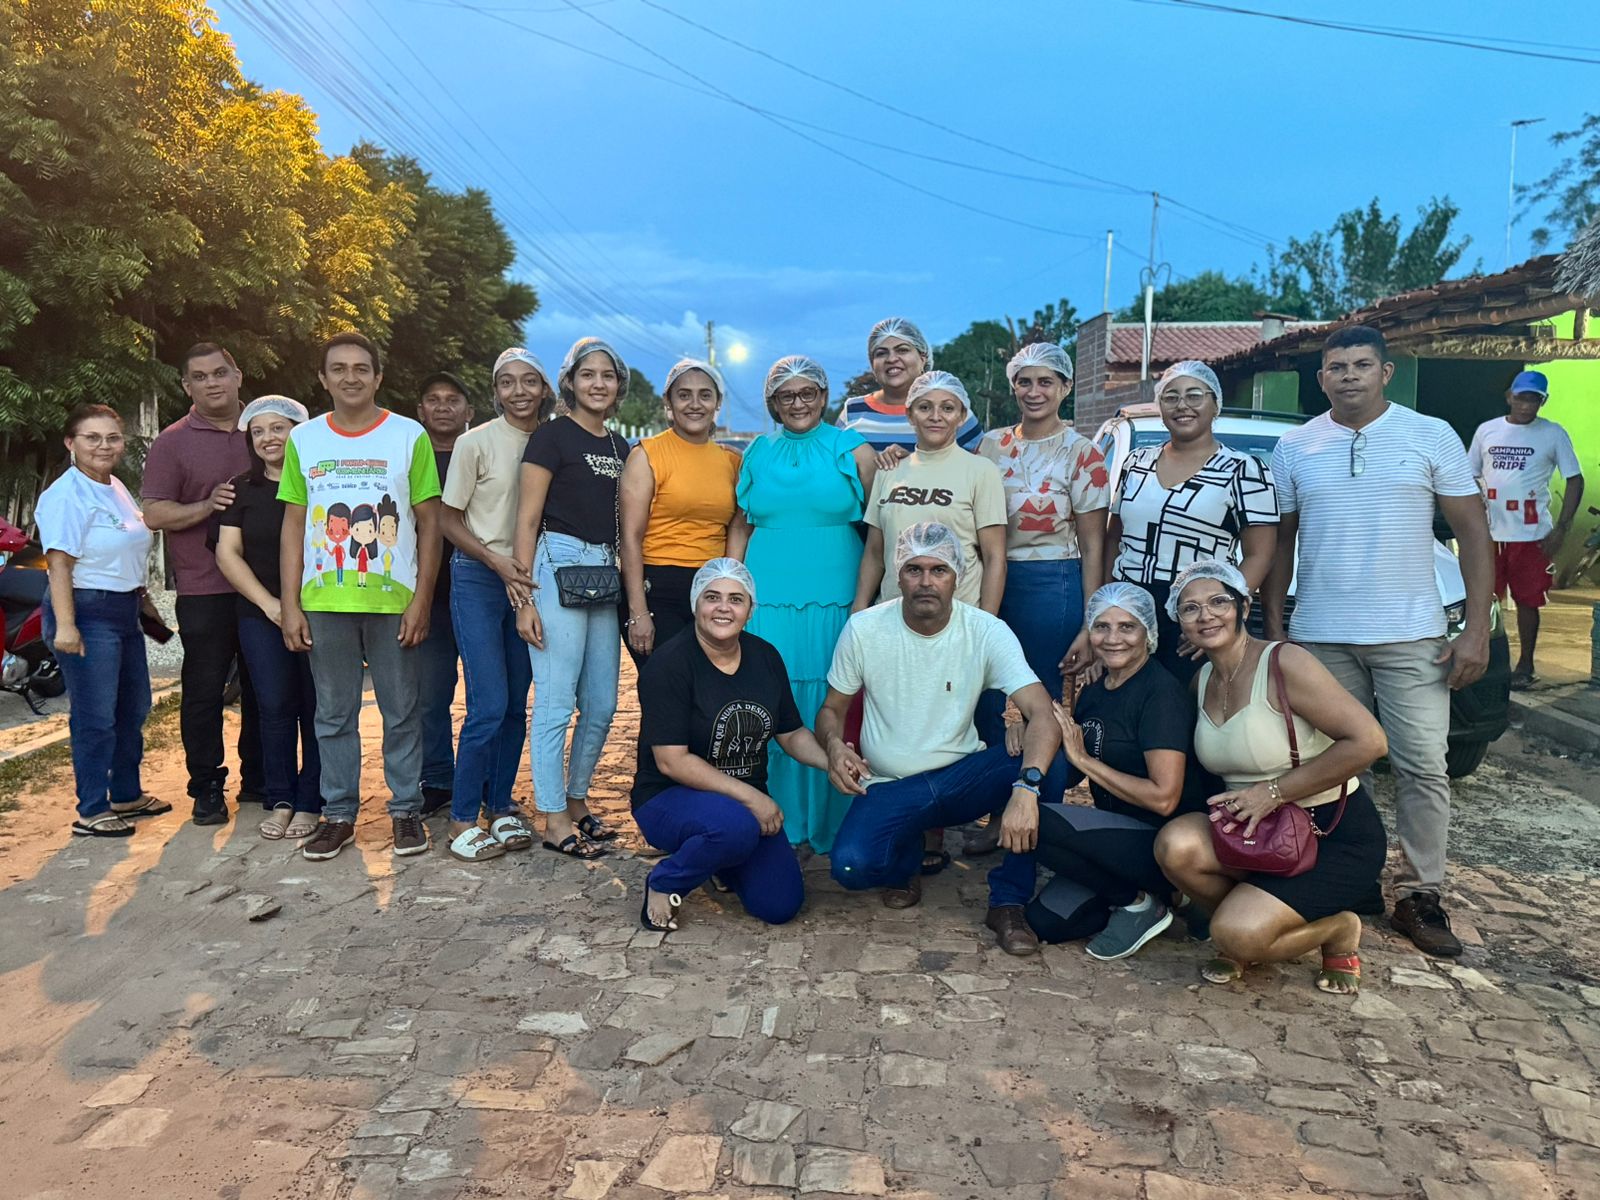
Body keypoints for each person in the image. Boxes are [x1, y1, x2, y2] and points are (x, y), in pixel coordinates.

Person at [1263, 326, 1493, 958]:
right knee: (1322, 767)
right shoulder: (1295, 446)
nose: (1349, 376)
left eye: (1363, 365)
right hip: (1320, 637)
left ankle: (1421, 893)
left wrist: (1476, 627)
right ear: (1322, 378)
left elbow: (1474, 533)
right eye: (1337, 367)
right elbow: (1281, 542)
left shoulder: (1430, 434)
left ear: (1385, 372)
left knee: (1423, 766)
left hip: (1412, 634)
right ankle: (1339, 878)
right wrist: (1278, 627)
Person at [817, 522, 1063, 956]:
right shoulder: (865, 628)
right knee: (852, 867)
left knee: (1052, 766)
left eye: (939, 570)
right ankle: (906, 857)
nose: (926, 581)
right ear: (897, 574)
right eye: (914, 569)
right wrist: (835, 745)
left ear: (958, 576)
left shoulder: (984, 629)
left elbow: (1042, 712)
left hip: (960, 779)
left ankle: (1007, 901)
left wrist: (1025, 788)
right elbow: (831, 710)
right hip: (889, 783)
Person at [1156, 561, 1389, 994]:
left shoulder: (1285, 663)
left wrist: (1274, 793)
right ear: (1180, 625)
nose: (1206, 615)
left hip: (1328, 834)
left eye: (1218, 602)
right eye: (1190, 609)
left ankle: (1336, 928)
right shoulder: (1201, 679)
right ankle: (1246, 918)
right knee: (1175, 846)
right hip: (1252, 836)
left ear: (1244, 605)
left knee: (1236, 935)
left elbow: (1370, 742)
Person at [279, 332, 443, 861]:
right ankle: (338, 814)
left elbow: (430, 523)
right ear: (323, 379)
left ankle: (406, 812)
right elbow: (294, 525)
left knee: (401, 710)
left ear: (377, 377)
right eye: (338, 368)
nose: (351, 377)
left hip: (394, 603)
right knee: (333, 714)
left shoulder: (407, 435)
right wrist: (289, 604)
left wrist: (420, 599)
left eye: (361, 368)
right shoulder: (304, 440)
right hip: (323, 603)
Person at [1004, 583, 1218, 959]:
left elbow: (1164, 798)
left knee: (1040, 819)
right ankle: (1155, 900)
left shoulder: (1159, 694)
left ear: (1148, 633)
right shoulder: (1099, 690)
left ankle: (1141, 901)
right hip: (1114, 839)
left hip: (1162, 840)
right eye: (1101, 627)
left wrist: (1086, 760)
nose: (1113, 638)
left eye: (1127, 627)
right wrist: (1033, 730)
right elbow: (1069, 775)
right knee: (1047, 923)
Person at [632, 558, 831, 931]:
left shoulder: (765, 657)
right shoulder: (670, 664)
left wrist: (831, 762)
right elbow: (671, 762)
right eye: (712, 597)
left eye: (736, 599)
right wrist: (753, 798)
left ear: (750, 610)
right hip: (668, 796)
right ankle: (667, 881)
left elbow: (790, 733)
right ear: (696, 604)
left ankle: (717, 860)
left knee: (780, 904)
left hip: (738, 805)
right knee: (735, 828)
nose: (724, 607)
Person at [733, 356, 876, 853]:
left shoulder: (851, 448)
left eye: (808, 393)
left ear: (824, 395)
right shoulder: (756, 453)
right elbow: (741, 522)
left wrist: (868, 597)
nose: (798, 404)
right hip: (768, 594)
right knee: (772, 695)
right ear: (773, 402)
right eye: (787, 396)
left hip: (837, 592)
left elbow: (878, 529)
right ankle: (780, 815)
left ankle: (838, 818)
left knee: (833, 697)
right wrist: (733, 585)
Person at [972, 343, 1110, 854]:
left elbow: (1095, 543)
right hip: (993, 576)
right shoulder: (990, 446)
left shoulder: (1083, 453)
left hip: (1053, 580)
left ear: (1066, 388)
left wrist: (1089, 621)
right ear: (1013, 387)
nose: (1035, 392)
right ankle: (992, 811)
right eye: (1025, 382)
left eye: (1046, 382)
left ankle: (1043, 811)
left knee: (1045, 699)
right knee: (985, 694)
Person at [513, 337, 634, 858]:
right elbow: (526, 517)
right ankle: (552, 813)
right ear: (570, 382)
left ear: (618, 385)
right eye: (588, 375)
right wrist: (523, 598)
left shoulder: (620, 446)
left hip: (603, 570)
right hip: (557, 562)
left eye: (608, 375)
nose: (598, 383)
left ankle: (578, 799)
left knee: (603, 702)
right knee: (556, 700)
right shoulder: (550, 438)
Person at [141, 342, 262, 825]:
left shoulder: (267, 431)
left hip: (264, 587)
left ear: (237, 376)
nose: (212, 382)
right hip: (204, 587)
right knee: (205, 690)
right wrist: (207, 505)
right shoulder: (172, 442)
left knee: (264, 687)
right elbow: (154, 513)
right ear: (187, 386)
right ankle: (207, 786)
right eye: (200, 376)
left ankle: (261, 778)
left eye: (220, 373)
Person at [437, 349, 550, 861]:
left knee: (516, 703)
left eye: (529, 381)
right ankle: (462, 815)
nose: (519, 391)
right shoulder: (474, 442)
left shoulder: (554, 441)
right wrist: (495, 561)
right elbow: (448, 519)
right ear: (496, 391)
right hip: (481, 578)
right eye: (507, 382)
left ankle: (500, 804)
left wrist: (519, 570)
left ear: (545, 388)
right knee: (487, 703)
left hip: (532, 581)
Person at [37, 405, 168, 836]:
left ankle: (126, 794)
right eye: (92, 438)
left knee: (133, 707)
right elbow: (59, 564)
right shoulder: (65, 495)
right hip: (86, 611)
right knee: (95, 716)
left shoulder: (114, 487)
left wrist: (143, 601)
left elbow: (126, 550)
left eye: (112, 437)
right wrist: (67, 627)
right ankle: (92, 809)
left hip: (124, 609)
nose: (104, 446)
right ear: (70, 443)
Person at [1109, 359, 1278, 683]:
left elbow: (1260, 554)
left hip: (1197, 612)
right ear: (1159, 406)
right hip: (1131, 610)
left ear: (1215, 404)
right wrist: (1106, 603)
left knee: (1189, 706)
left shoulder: (1243, 470)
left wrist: (1217, 612)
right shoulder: (1136, 463)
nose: (1182, 405)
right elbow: (1113, 538)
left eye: (1194, 395)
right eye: (1170, 397)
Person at [213, 396, 322, 841]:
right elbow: (227, 553)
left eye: (278, 428)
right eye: (258, 431)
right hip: (260, 615)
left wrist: (298, 605)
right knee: (274, 707)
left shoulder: (321, 482)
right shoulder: (240, 489)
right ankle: (280, 798)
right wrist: (272, 605)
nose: (268, 439)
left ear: (299, 432)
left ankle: (313, 801)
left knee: (320, 709)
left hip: (320, 611)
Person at [620, 358, 745, 665]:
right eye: (684, 394)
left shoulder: (731, 461)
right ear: (669, 402)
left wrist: (730, 589)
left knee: (708, 690)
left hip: (710, 588)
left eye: (705, 395)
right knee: (665, 688)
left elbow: (738, 528)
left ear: (717, 403)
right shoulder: (646, 455)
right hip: (657, 586)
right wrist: (638, 611)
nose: (694, 404)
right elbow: (630, 538)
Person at [1467, 369, 1585, 689]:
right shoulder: (1487, 432)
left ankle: (1526, 665)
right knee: (1481, 601)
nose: (1526, 405)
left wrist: (1562, 527)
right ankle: (1482, 661)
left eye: (1534, 399)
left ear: (1542, 402)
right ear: (1509, 397)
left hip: (1532, 536)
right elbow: (1469, 477)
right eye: (1521, 397)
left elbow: (1575, 479)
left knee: (1527, 602)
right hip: (1490, 535)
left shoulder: (1553, 434)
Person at [854, 371, 1007, 614]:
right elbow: (874, 553)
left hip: (958, 615)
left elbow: (994, 557)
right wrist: (859, 608)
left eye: (947, 408)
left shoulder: (981, 471)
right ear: (910, 414)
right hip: (892, 613)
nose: (936, 417)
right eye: (924, 407)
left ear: (961, 416)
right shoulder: (890, 470)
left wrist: (987, 623)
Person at [415, 371, 472, 814]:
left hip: (480, 592)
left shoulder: (482, 453)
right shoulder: (407, 460)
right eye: (433, 399)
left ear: (469, 412)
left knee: (487, 696)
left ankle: (482, 775)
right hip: (427, 595)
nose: (443, 407)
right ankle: (436, 777)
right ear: (420, 411)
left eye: (453, 400)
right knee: (430, 694)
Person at [837, 317, 983, 462]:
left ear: (923, 358)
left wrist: (913, 467)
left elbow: (979, 472)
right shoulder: (852, 412)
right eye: (881, 353)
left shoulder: (953, 412)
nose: (891, 359)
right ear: (872, 363)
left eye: (902, 350)